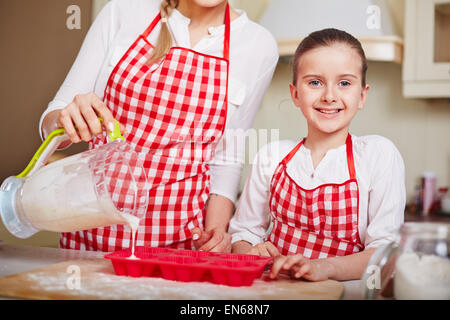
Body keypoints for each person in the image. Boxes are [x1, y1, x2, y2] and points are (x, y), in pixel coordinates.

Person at [39, 0, 278, 252]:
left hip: (179, 251)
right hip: (89, 235)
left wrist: (215, 233)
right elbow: (54, 121)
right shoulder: (123, 11)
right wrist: (65, 120)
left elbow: (227, 157)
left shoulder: (258, 45)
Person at [229, 28, 406, 281]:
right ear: (295, 94)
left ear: (362, 95)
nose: (329, 96)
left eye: (344, 83)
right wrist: (251, 251)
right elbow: (244, 233)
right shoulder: (271, 156)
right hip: (276, 291)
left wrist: (324, 268)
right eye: (315, 82)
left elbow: (385, 253)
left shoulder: (378, 154)